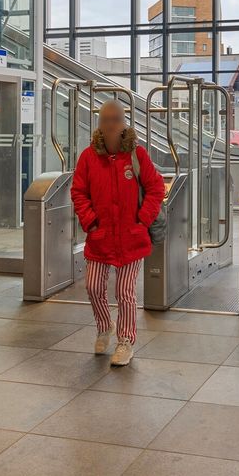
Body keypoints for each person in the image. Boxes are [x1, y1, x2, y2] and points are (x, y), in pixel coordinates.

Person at [70, 100, 165, 366]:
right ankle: (104, 326)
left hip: (131, 238)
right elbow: (78, 192)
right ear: (99, 124)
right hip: (100, 238)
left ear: (124, 123)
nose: (110, 125)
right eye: (105, 120)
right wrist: (91, 222)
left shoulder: (137, 155)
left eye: (115, 119)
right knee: (93, 287)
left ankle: (126, 341)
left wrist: (141, 221)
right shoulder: (88, 157)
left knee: (125, 292)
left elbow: (156, 188)